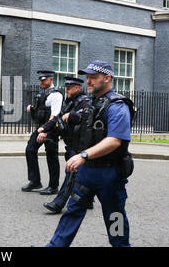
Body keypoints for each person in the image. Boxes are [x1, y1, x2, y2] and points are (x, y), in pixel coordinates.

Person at [47, 60, 134, 247]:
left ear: (107, 78)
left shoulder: (118, 106)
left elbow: (115, 140)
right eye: (87, 77)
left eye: (93, 77)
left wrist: (83, 155)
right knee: (72, 212)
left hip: (109, 173)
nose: (88, 81)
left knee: (115, 217)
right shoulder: (91, 103)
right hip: (87, 172)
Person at [37, 76, 94, 214]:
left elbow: (81, 116)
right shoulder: (70, 102)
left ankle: (58, 203)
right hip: (72, 144)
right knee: (83, 174)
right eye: (66, 88)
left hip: (82, 145)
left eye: (69, 88)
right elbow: (58, 118)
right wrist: (45, 128)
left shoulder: (85, 102)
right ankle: (88, 199)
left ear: (77, 88)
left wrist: (72, 115)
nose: (66, 90)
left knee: (71, 172)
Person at [22, 70, 63, 195]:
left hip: (51, 129)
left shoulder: (56, 95)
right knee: (30, 149)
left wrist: (46, 131)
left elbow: (55, 115)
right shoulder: (42, 93)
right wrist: (31, 108)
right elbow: (40, 110)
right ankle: (35, 181)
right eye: (40, 80)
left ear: (51, 79)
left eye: (44, 80)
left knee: (52, 156)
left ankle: (53, 186)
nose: (41, 82)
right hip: (41, 127)